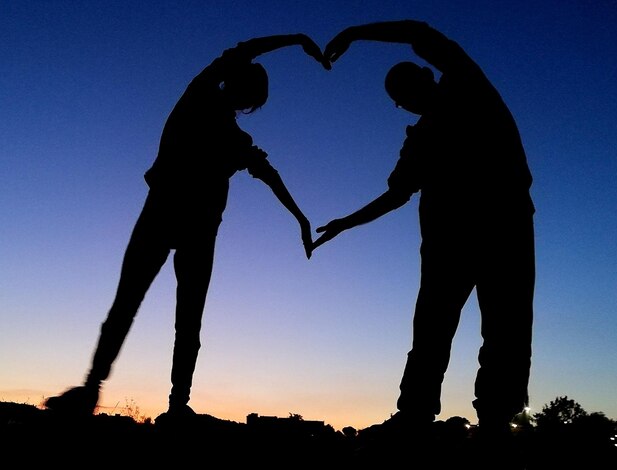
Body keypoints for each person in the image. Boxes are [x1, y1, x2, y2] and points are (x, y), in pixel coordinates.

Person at [45, 33, 330, 419]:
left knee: (154, 313)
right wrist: (295, 39)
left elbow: (269, 173)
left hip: (184, 225)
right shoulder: (202, 99)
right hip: (169, 218)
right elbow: (241, 55)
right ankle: (158, 400)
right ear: (246, 97)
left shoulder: (223, 124)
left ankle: (163, 401)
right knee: (162, 315)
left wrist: (300, 217)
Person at [313, 20, 535, 442]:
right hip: (450, 242)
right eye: (400, 96)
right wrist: (345, 223)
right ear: (402, 105)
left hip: (503, 226)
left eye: (407, 86)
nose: (407, 98)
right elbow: (395, 195)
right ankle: (416, 417)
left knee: (504, 329)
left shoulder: (466, 85)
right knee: (435, 331)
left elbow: (420, 31)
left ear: (427, 76)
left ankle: (494, 423)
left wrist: (355, 33)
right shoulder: (419, 142)